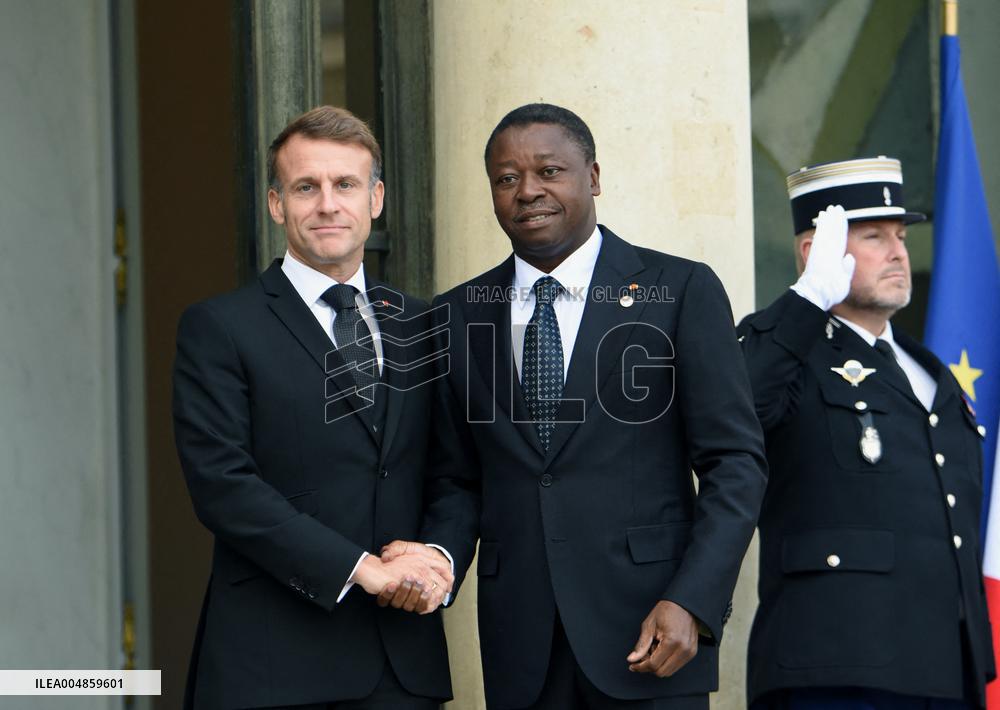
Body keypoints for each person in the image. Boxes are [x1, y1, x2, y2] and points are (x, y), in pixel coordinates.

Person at [381, 103, 768, 709]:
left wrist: (693, 598)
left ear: (593, 176)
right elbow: (457, 479)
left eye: (549, 171)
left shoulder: (680, 290)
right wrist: (438, 558)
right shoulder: (455, 315)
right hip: (522, 648)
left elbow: (735, 463)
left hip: (652, 634)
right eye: (507, 179)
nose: (528, 191)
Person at [173, 105, 455, 709]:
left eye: (345, 184)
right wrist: (358, 567)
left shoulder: (424, 323)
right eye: (307, 186)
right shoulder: (219, 327)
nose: (328, 204)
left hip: (402, 666)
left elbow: (455, 471)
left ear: (375, 199)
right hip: (273, 666)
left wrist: (438, 556)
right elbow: (223, 486)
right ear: (278, 204)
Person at [739, 157, 995, 709]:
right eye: (874, 235)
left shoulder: (928, 369)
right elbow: (737, 416)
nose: (899, 251)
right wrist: (807, 300)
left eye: (900, 236)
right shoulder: (786, 351)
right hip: (834, 666)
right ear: (816, 251)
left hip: (946, 668)